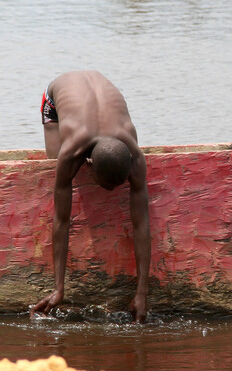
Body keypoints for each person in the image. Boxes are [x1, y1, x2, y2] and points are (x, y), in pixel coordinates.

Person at [29, 71, 151, 322]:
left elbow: (141, 223)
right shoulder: (72, 151)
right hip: (57, 98)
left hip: (103, 92)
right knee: (52, 166)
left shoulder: (134, 155)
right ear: (89, 163)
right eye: (104, 185)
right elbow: (62, 220)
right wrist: (58, 289)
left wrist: (142, 294)